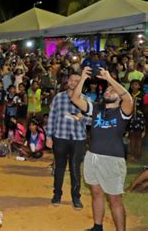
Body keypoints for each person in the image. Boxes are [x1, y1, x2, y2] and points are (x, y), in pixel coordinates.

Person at [71, 67, 133, 231]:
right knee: (96, 193)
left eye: (112, 91)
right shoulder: (97, 108)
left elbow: (128, 97)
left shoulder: (122, 111)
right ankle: (97, 227)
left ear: (118, 97)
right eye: (107, 90)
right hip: (92, 157)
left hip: (112, 160)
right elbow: (75, 98)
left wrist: (110, 80)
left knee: (114, 200)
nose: (108, 91)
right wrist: (83, 78)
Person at [46, 73, 90, 210]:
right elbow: (52, 117)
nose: (74, 82)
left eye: (78, 80)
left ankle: (76, 197)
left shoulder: (86, 100)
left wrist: (81, 118)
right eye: (72, 80)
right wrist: (48, 136)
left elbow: (92, 120)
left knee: (75, 169)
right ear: (67, 81)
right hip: (60, 136)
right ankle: (57, 195)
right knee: (59, 167)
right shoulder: (59, 98)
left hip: (78, 139)